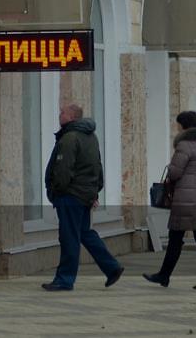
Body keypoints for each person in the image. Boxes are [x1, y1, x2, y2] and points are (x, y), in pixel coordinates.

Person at [42, 103, 124, 291]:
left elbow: (63, 170)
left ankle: (64, 280)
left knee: (69, 237)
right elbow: (97, 166)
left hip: (70, 195)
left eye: (62, 112)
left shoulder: (70, 138)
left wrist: (56, 191)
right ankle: (112, 267)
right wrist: (94, 191)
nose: (60, 115)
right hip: (85, 194)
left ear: (72, 117)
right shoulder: (90, 137)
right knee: (85, 233)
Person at [143, 110, 196, 290]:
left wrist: (170, 167)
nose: (177, 128)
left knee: (175, 237)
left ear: (185, 126)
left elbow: (175, 173)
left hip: (186, 197)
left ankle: (164, 275)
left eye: (178, 125)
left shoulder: (185, 145)